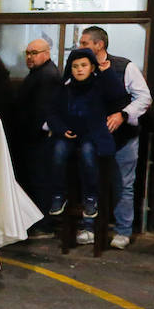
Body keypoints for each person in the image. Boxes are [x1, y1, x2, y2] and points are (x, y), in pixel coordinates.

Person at [78, 26, 152, 249]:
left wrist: (124, 114)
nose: (80, 48)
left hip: (123, 135)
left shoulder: (124, 66)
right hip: (93, 136)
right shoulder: (81, 68)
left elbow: (144, 97)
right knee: (90, 181)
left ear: (99, 44)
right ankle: (88, 226)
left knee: (123, 183)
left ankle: (122, 230)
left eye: (84, 43)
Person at [46, 47, 119, 223]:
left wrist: (107, 73)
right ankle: (58, 195)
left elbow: (117, 95)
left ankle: (91, 197)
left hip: (93, 136)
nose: (79, 69)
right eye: (75, 66)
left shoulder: (100, 85)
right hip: (69, 134)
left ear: (92, 67)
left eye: (84, 65)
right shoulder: (65, 88)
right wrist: (61, 129)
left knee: (88, 154)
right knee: (58, 151)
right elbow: (52, 113)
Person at [12, 38, 59, 234]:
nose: (30, 57)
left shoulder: (47, 75)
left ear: (46, 54)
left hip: (38, 139)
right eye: (28, 53)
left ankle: (42, 223)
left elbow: (41, 111)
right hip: (31, 137)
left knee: (40, 180)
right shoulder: (39, 73)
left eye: (34, 53)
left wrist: (31, 134)